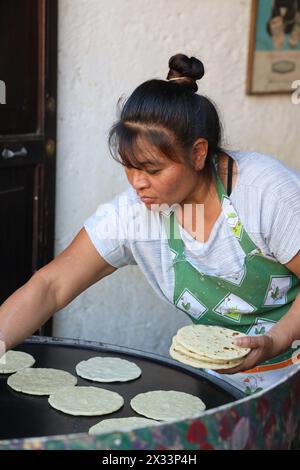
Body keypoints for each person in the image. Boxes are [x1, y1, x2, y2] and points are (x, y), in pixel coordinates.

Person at [0, 53, 300, 395]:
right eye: (129, 167)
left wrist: (277, 338)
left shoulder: (265, 193)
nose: (137, 183)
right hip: (222, 378)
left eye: (152, 170)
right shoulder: (135, 212)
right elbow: (51, 285)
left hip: (291, 370)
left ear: (198, 153)